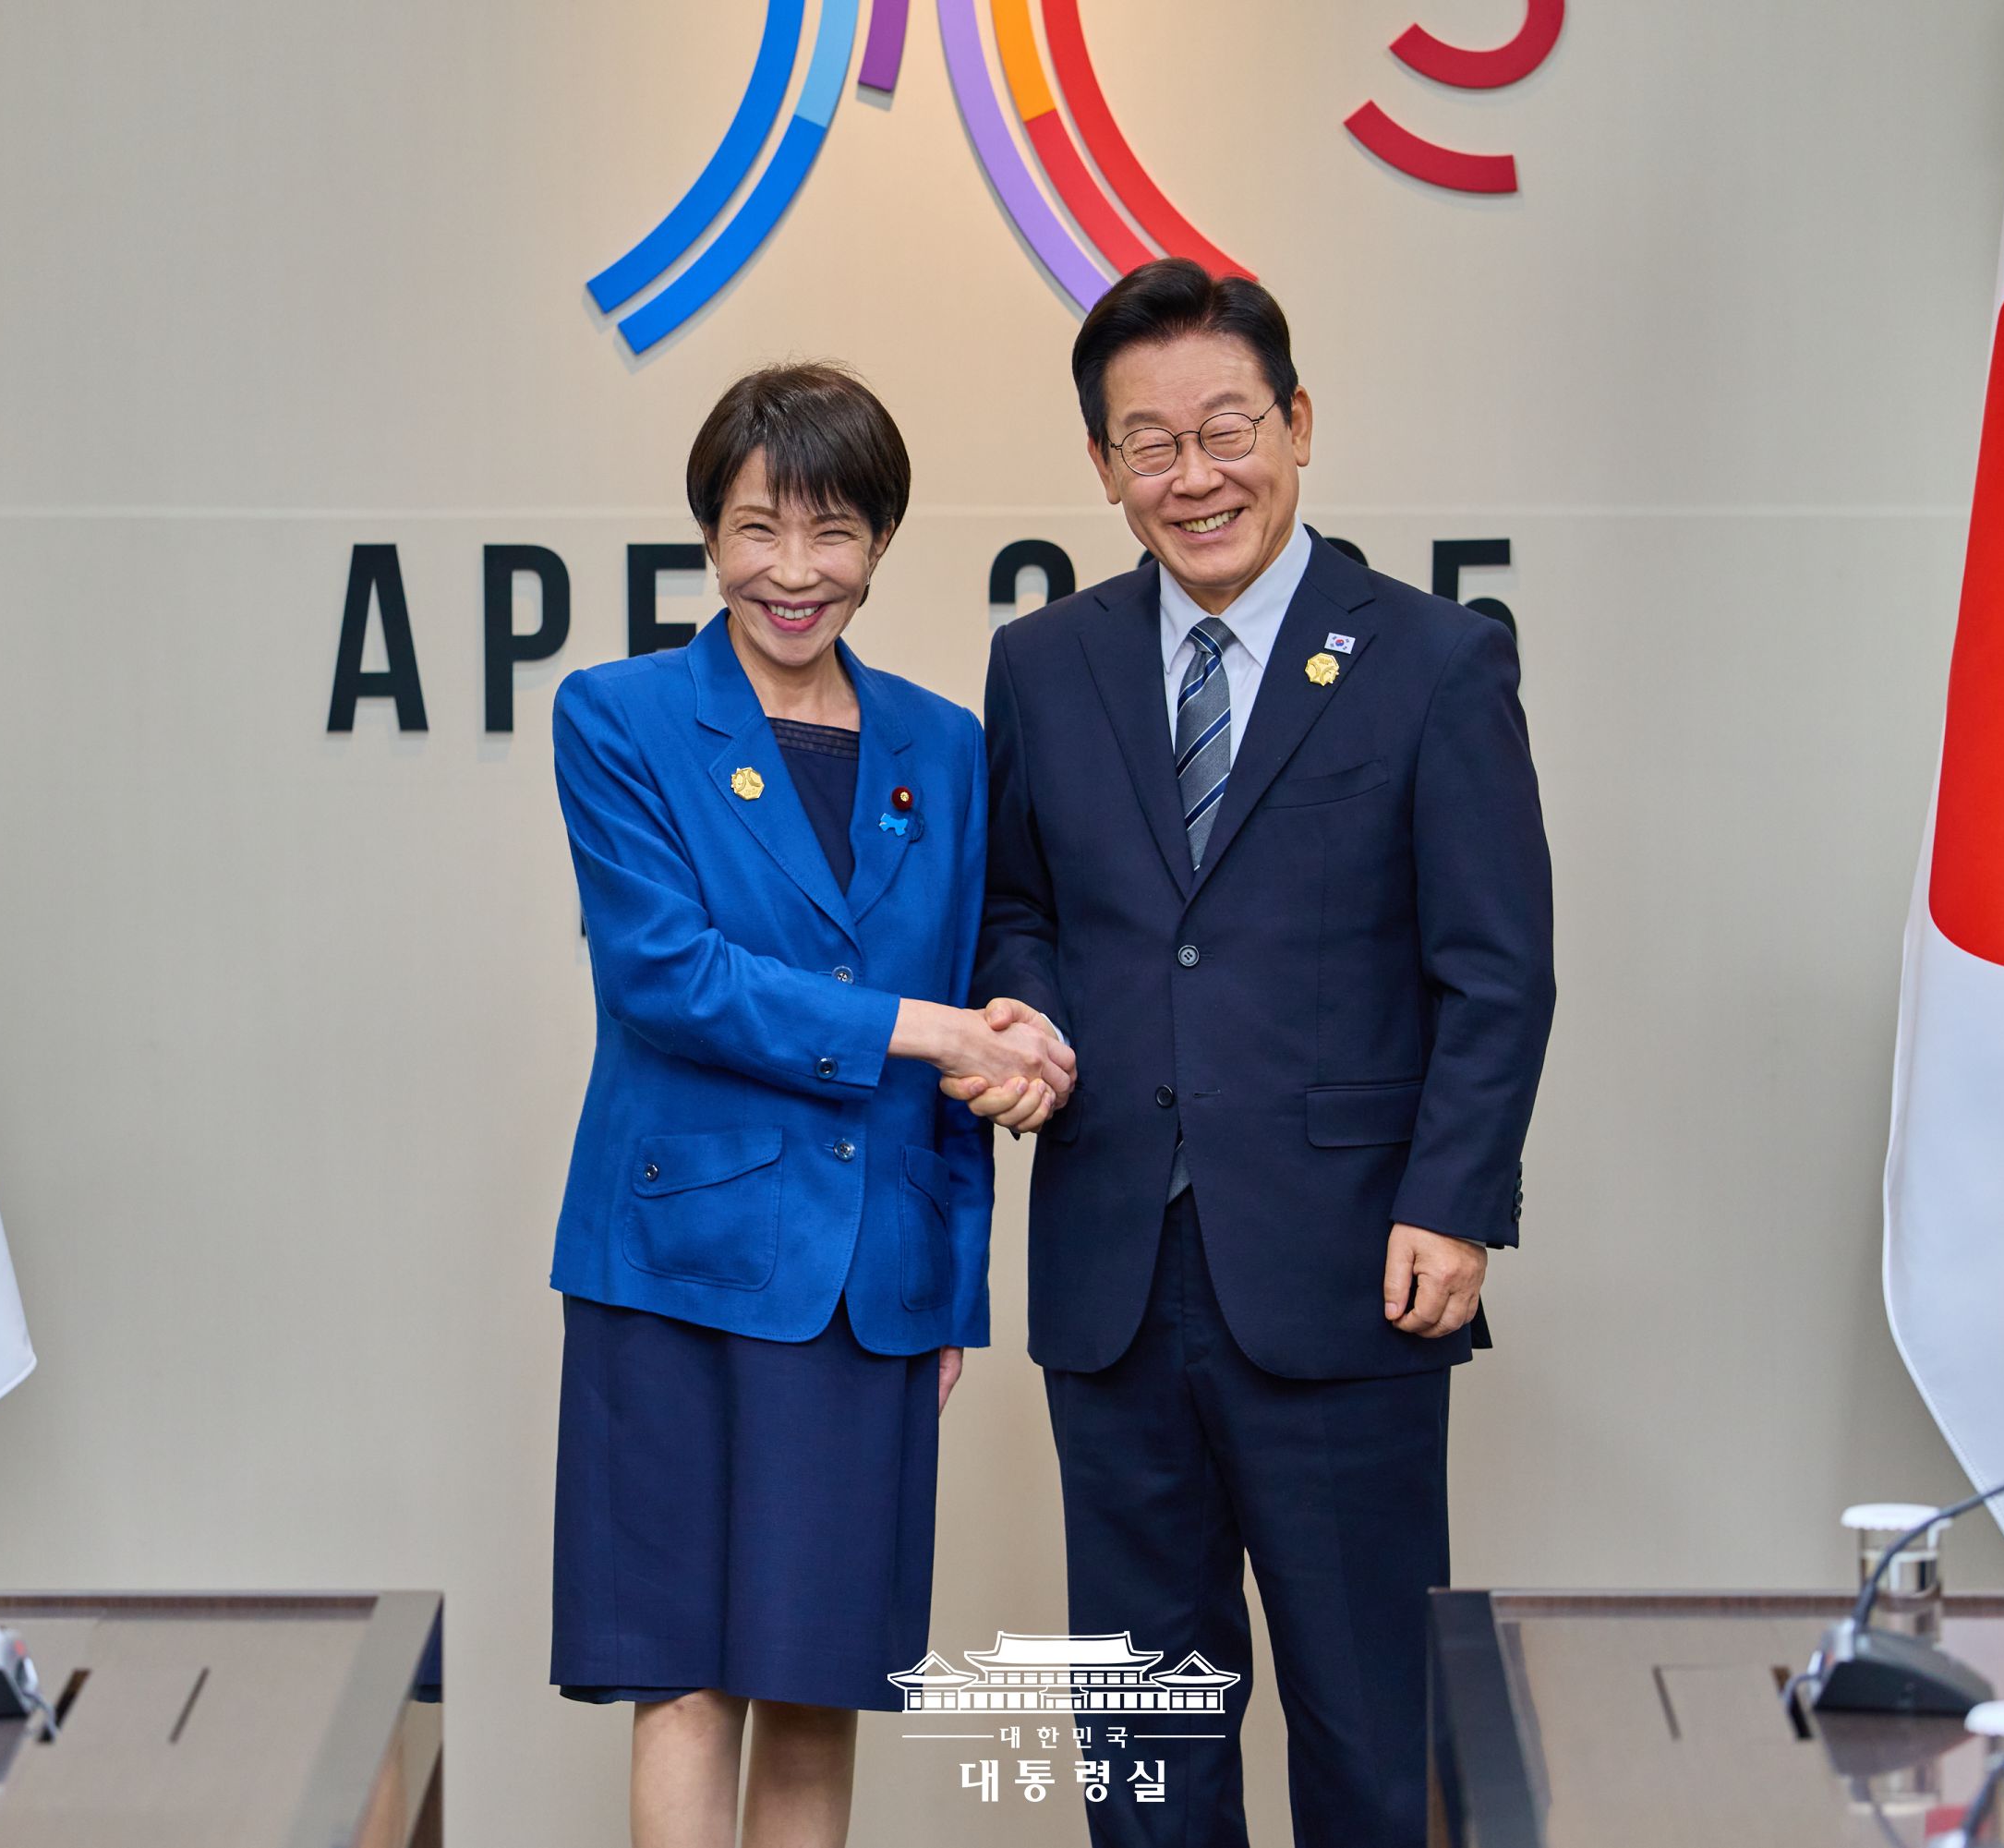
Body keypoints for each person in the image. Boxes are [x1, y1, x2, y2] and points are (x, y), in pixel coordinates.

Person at [957, 260, 1556, 1846]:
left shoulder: (1434, 659)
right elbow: (1018, 908)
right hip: (1113, 1266)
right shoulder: (1043, 664)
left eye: (1227, 428)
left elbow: (1497, 967)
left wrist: (1454, 1201)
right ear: (1103, 466)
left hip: (1351, 1267)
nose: (1195, 475)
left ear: (1297, 423)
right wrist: (1022, 1008)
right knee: (1143, 1740)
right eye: (1149, 443)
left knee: (1370, 1729)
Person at [549, 361, 1073, 1848]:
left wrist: (951, 1287)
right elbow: (669, 979)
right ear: (709, 535)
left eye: (833, 531)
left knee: (817, 1676)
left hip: (869, 1278)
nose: (794, 571)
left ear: (881, 540)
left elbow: (967, 1006)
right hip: (675, 1264)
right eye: (757, 528)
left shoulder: (943, 744)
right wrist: (927, 1029)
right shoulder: (619, 715)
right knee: (683, 1673)